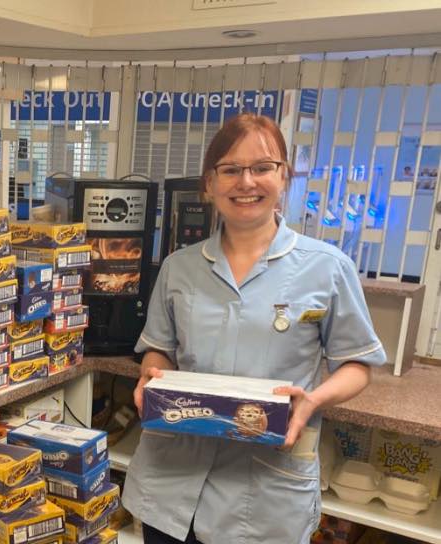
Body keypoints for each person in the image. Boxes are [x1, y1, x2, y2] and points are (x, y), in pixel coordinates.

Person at [121, 113, 386, 544]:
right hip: (170, 485)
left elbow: (357, 363)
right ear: (209, 184)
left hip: (264, 495)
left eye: (262, 168)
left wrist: (312, 400)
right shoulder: (178, 268)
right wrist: (152, 375)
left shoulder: (328, 268)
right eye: (231, 170)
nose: (247, 182)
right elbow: (159, 349)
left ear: (284, 177)